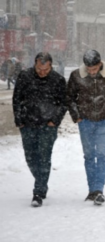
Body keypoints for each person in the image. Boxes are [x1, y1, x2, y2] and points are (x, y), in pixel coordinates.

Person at [66, 50, 105, 205]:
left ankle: (98, 190)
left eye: (94, 69)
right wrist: (76, 115)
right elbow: (69, 97)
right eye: (89, 69)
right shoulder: (76, 76)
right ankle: (91, 190)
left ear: (100, 64)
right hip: (85, 120)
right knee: (88, 155)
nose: (92, 72)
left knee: (101, 154)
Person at [12, 52, 67, 207]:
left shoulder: (58, 80)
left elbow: (63, 103)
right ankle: (41, 180)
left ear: (51, 65)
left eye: (45, 70)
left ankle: (39, 191)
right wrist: (19, 120)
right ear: (35, 64)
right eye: (39, 69)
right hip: (27, 124)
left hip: (47, 125)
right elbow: (16, 99)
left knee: (44, 156)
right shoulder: (25, 76)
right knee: (30, 157)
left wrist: (54, 121)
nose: (42, 72)